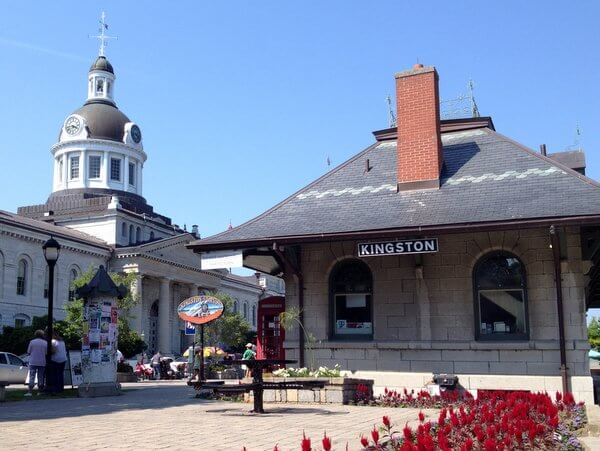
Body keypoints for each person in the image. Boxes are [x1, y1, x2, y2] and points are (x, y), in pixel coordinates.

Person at [25, 330, 47, 396]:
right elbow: (46, 353)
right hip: (42, 362)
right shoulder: (45, 343)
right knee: (41, 377)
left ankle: (30, 392)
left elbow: (28, 352)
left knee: (32, 376)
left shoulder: (32, 342)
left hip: (33, 362)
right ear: (42, 335)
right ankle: (40, 392)